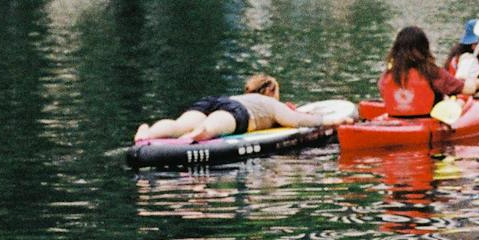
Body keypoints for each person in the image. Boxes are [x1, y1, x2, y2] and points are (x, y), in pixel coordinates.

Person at [133, 74, 348, 143]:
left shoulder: (243, 96)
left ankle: (148, 131)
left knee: (180, 124)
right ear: (271, 91)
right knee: (215, 124)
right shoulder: (271, 104)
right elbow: (297, 121)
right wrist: (332, 121)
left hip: (214, 100)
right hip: (236, 112)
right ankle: (202, 134)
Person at [381, 26, 478, 116]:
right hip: (428, 122)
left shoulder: (388, 74)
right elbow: (468, 90)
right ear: (424, 48)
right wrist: (470, 80)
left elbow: (383, 92)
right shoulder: (433, 72)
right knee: (460, 100)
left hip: (396, 120)